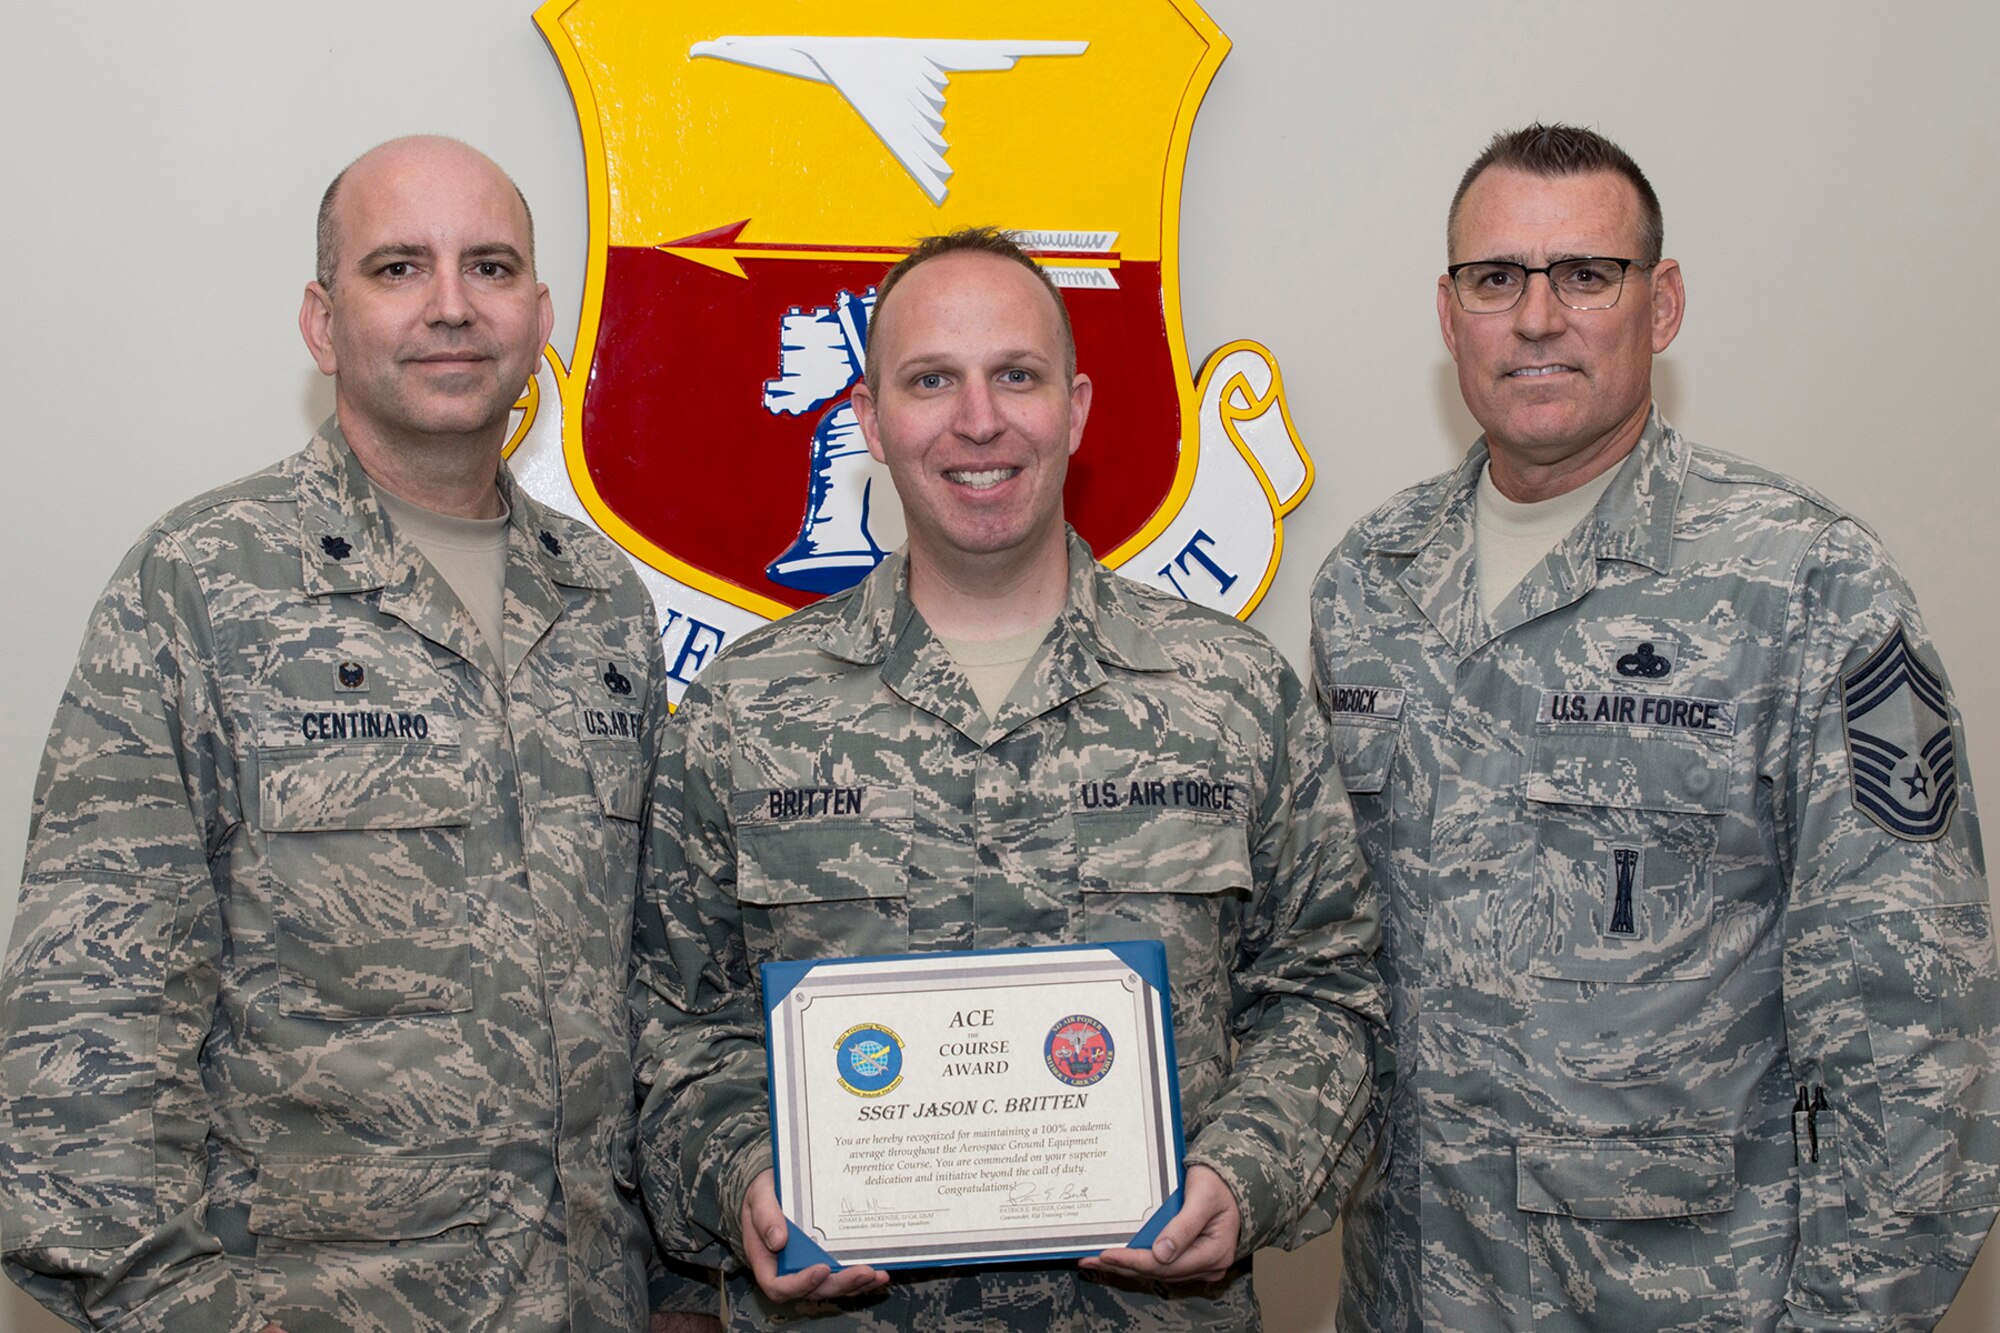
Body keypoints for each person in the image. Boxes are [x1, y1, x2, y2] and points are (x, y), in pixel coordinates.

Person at [0, 136, 711, 1332]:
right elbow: (93, 1010)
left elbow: (656, 981)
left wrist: (686, 1284)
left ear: (541, 314)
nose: (449, 306)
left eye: (489, 267)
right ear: (322, 322)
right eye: (398, 267)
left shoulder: (600, 602)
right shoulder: (202, 582)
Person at [1312, 122, 2000, 1330]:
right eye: (1494, 279)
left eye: (1584, 275)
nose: (1536, 317)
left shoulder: (1802, 582)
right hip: (1410, 1293)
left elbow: (1914, 1022)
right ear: (1447, 311)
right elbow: (1323, 964)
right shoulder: (1368, 581)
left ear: (1660, 302)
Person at [633, 227, 1384, 1329]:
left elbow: (1326, 990)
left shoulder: (1229, 694)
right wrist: (743, 1174)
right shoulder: (748, 711)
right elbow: (675, 1024)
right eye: (930, 379)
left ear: (1074, 409)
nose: (977, 420)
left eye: (1015, 376)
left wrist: (1241, 1173)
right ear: (868, 419)